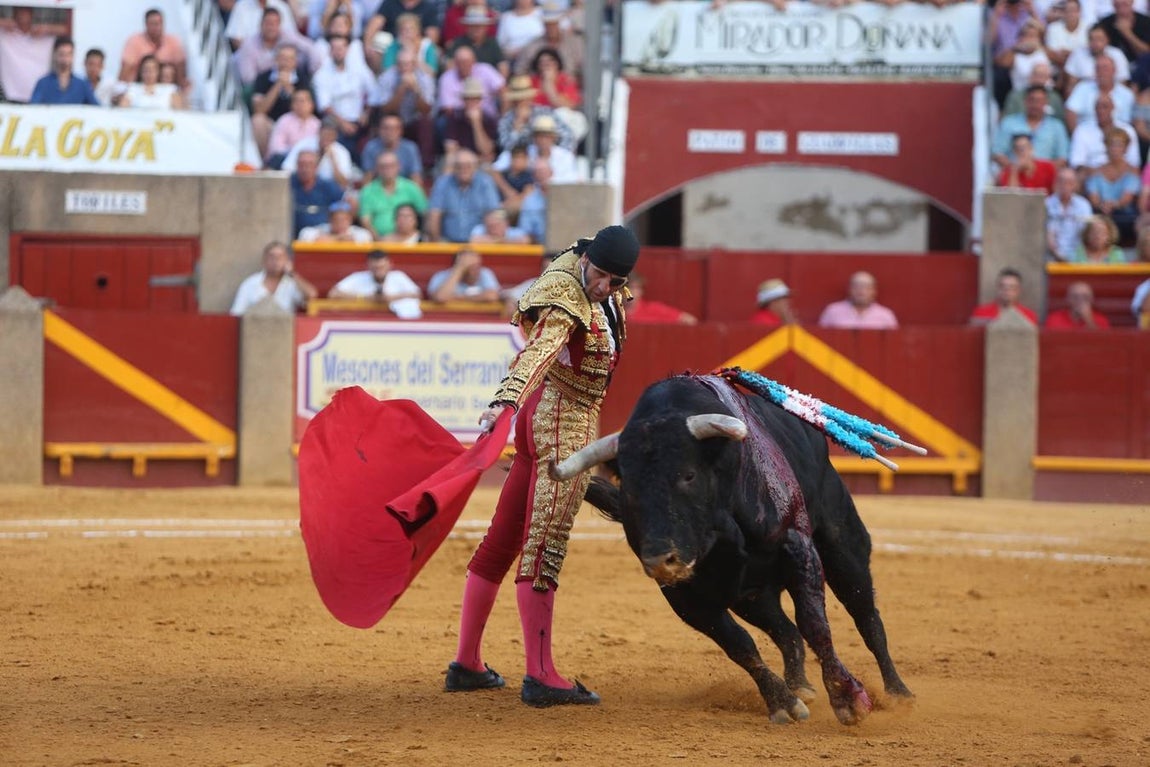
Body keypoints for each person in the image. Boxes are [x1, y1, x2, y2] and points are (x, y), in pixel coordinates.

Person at [444, 225, 641, 708]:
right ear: (586, 261)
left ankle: (467, 663)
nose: (603, 287)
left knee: (503, 539)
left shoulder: (598, 280)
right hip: (561, 425)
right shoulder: (565, 295)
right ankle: (541, 674)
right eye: (599, 275)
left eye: (615, 281)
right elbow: (539, 351)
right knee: (544, 546)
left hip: (545, 418)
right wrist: (504, 402)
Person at [250, 43, 311, 161]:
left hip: (295, 123)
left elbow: (306, 108)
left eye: (290, 59)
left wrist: (289, 89)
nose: (286, 62)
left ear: (295, 62)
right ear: (276, 59)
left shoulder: (303, 78)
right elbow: (259, 110)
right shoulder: (263, 77)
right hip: (271, 124)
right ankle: (265, 162)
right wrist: (277, 85)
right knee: (258, 120)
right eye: (282, 58)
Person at [426, 149, 502, 242]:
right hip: (448, 242)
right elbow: (434, 216)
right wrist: (436, 243)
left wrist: (492, 237)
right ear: (454, 168)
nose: (463, 170)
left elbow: (495, 213)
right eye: (459, 166)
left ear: (475, 167)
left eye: (468, 166)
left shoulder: (485, 182)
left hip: (478, 242)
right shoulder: (443, 183)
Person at [327, 248, 423, 318]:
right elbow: (333, 294)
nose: (379, 271)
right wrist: (364, 298)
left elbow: (418, 294)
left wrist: (391, 298)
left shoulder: (398, 276)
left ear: (389, 265)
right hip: (362, 320)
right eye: (375, 268)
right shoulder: (358, 277)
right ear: (368, 266)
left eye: (382, 267)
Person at [230, 240, 318, 315]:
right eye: (272, 257)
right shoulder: (250, 283)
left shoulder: (291, 283)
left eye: (280, 257)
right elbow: (236, 313)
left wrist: (291, 273)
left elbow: (311, 295)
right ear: (264, 260)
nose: (276, 261)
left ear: (287, 260)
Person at [1083, 125, 1141, 239]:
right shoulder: (1096, 172)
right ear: (1106, 146)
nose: (1115, 149)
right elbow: (1094, 198)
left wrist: (1113, 204)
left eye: (1119, 145)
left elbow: (1127, 197)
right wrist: (1101, 205)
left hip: (1124, 215)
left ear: (1125, 148)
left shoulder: (1133, 171)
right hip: (1101, 212)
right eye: (1111, 144)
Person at [358, 151, 428, 238]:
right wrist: (379, 241)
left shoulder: (412, 188)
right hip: (377, 240)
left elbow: (425, 214)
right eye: (383, 166)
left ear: (399, 166)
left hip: (410, 239)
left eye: (391, 166)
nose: (387, 170)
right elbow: (365, 221)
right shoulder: (367, 191)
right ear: (377, 169)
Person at [0, 6, 61, 104]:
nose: (23, 14)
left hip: (39, 96)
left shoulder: (43, 35)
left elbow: (69, 27)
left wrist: (47, 28)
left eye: (26, 11)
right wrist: (4, 23)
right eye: (20, 10)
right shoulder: (4, 34)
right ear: (14, 13)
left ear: (32, 14)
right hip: (11, 97)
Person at [119, 7, 188, 86]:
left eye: (159, 23)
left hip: (166, 88)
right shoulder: (134, 41)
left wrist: (181, 88)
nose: (157, 27)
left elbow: (181, 69)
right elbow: (126, 69)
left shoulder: (173, 41)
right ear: (146, 24)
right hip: (140, 87)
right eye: (153, 24)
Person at [29, 36, 99, 106]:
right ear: (55, 55)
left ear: (73, 56)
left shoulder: (82, 85)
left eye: (68, 54)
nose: (65, 59)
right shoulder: (43, 83)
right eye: (61, 54)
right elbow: (33, 108)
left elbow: (97, 109)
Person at [291, 149, 346, 236]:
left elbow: (343, 206)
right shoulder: (288, 184)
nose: (305, 169)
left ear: (316, 167)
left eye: (309, 165)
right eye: (301, 165)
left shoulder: (328, 186)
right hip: (292, 233)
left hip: (323, 235)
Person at [818, 271, 899, 329]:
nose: (861, 291)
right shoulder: (832, 311)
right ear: (849, 289)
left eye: (867, 288)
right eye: (856, 287)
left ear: (874, 291)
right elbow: (820, 339)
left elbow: (893, 341)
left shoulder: (885, 315)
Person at [1047, 167, 1095, 261]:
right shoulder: (1046, 204)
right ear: (1055, 183)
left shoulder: (1084, 205)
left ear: (1075, 185)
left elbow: (1087, 233)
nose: (1065, 185)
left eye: (1069, 182)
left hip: (1078, 257)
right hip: (1050, 257)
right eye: (1061, 181)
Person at [970, 267, 1040, 325]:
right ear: (997, 288)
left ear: (1018, 290)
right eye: (1003, 286)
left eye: (1012, 287)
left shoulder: (1029, 316)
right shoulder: (981, 313)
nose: (1007, 290)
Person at [427, 250, 502, 302]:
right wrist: (459, 269)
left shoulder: (484, 273)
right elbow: (440, 297)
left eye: (477, 265)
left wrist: (458, 298)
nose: (476, 270)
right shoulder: (441, 276)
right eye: (471, 266)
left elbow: (492, 296)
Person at [625, 273, 697, 324]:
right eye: (629, 287)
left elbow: (689, 320)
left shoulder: (653, 308)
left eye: (636, 288)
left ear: (641, 291)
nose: (632, 292)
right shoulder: (618, 312)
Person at [298, 200, 374, 243]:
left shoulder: (358, 232)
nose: (340, 223)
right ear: (329, 220)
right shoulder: (324, 229)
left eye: (343, 220)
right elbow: (304, 234)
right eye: (336, 220)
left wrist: (327, 239)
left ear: (350, 220)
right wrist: (338, 238)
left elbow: (366, 237)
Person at [1045, 280, 1113, 328]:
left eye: (1085, 297)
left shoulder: (1101, 320)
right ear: (1068, 299)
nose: (1080, 301)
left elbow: (1102, 342)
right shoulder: (1055, 319)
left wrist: (1089, 320)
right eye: (1075, 297)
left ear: (1092, 300)